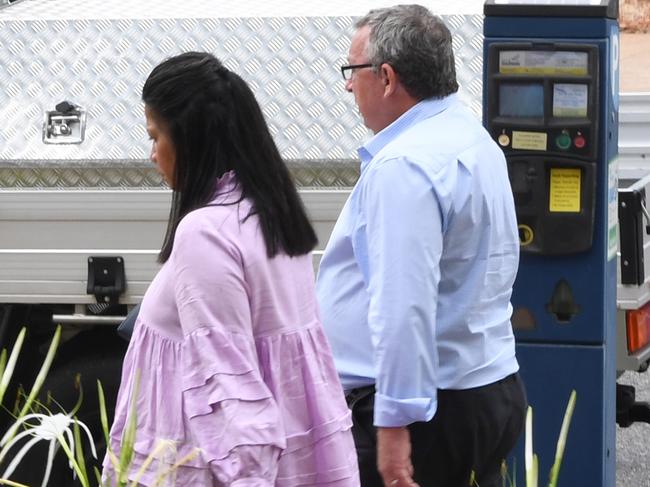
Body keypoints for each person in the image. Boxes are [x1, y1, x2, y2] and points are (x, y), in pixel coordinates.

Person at [103, 51, 359, 486]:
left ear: (188, 139)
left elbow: (227, 380)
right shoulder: (269, 210)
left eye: (155, 136)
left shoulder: (205, 232)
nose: (151, 155)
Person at [316, 5, 527, 487]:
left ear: (387, 77)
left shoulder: (405, 166)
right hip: (482, 388)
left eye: (353, 71)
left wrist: (393, 424)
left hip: (426, 416)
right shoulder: (471, 139)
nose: (349, 86)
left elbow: (402, 304)